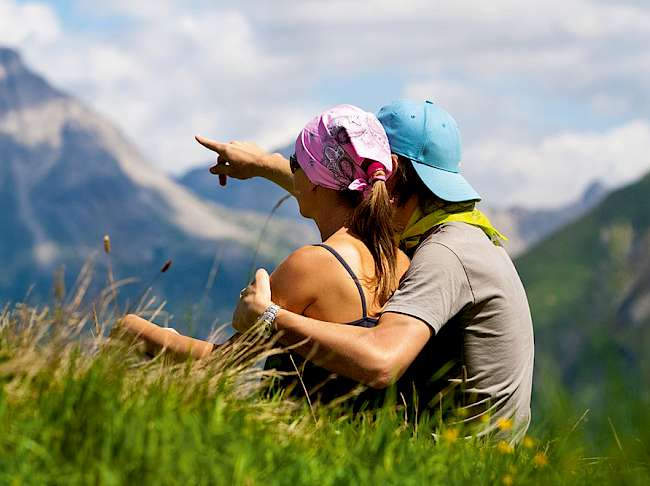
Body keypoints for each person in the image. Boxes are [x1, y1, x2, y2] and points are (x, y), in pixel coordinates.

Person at [197, 100, 534, 442]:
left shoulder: (445, 255)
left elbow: (381, 362)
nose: (360, 172)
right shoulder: (451, 230)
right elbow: (338, 195)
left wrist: (268, 316)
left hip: (455, 461)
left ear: (389, 169)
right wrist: (262, 164)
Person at [119, 104, 410, 405]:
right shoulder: (400, 260)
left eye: (296, 161)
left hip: (302, 437)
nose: (292, 168)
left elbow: (220, 365)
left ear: (313, 181)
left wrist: (131, 327)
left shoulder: (312, 265)